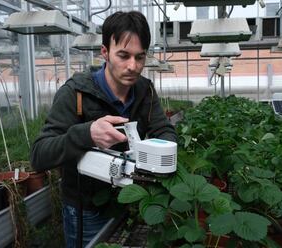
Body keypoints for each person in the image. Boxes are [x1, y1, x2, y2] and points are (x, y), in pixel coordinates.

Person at [30, 11, 176, 248]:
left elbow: (164, 130)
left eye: (140, 57)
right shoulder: (76, 94)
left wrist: (158, 153)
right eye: (123, 55)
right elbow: (39, 155)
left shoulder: (144, 91)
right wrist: (87, 134)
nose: (133, 66)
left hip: (129, 201)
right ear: (105, 52)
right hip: (86, 209)